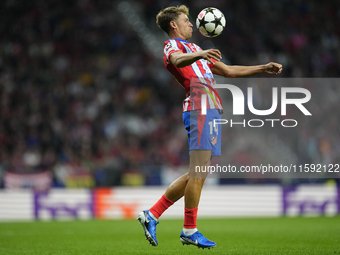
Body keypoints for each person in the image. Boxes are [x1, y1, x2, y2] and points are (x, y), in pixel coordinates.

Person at [137, 5, 282, 249]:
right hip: (199, 106)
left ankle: (152, 214)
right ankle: (189, 229)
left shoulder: (194, 49)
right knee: (199, 172)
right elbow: (176, 60)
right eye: (186, 20)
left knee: (199, 172)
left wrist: (263, 68)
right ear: (174, 25)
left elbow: (228, 71)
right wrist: (201, 54)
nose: (191, 24)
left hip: (210, 109)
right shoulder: (173, 46)